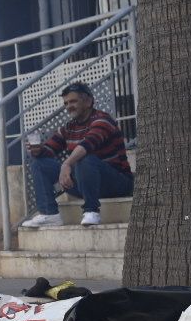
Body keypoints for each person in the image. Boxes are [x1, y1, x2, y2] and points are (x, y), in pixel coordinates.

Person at [20, 81, 134, 228]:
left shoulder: (103, 120)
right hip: (84, 184)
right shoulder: (69, 127)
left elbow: (87, 145)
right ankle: (49, 214)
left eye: (73, 101)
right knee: (40, 163)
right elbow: (50, 149)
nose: (69, 106)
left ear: (88, 101)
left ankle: (91, 211)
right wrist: (39, 150)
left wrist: (66, 164)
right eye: (66, 103)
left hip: (116, 183)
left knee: (85, 159)